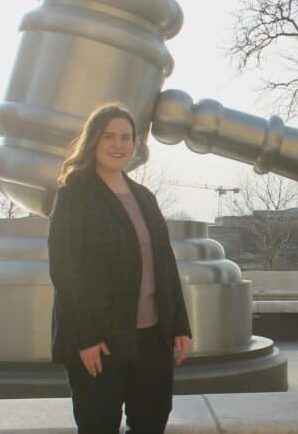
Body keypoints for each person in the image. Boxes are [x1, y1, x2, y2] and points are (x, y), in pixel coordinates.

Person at [48, 103, 192, 434]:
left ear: (135, 144)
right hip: (100, 342)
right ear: (93, 141)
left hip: (151, 339)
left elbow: (165, 265)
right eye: (109, 136)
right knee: (98, 425)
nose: (118, 144)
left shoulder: (145, 197)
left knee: (151, 421)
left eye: (126, 137)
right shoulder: (74, 194)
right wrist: (86, 338)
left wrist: (178, 325)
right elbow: (64, 270)